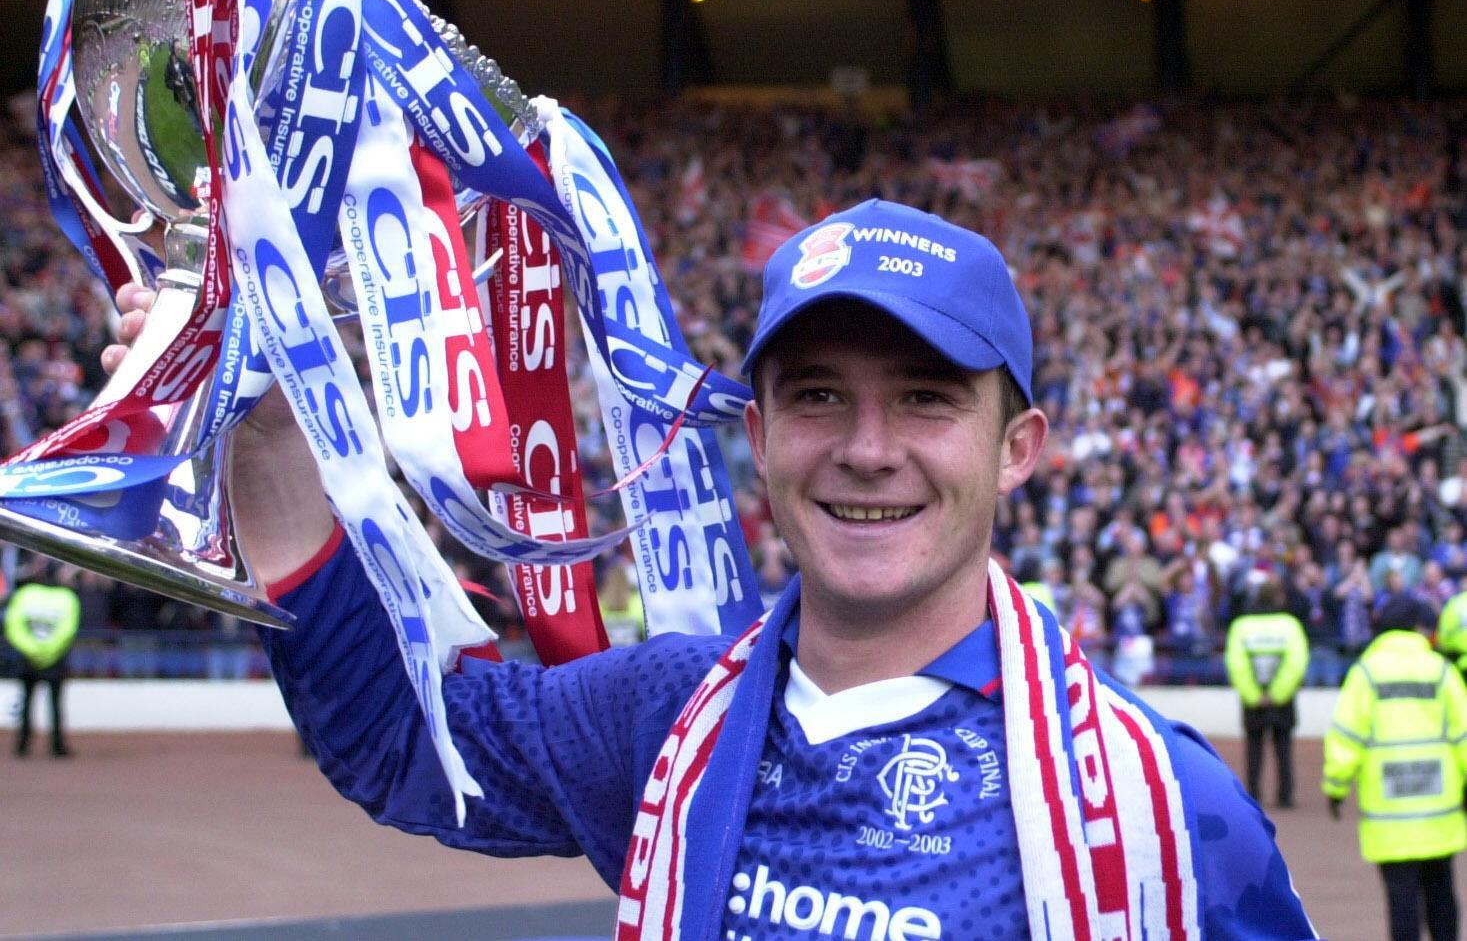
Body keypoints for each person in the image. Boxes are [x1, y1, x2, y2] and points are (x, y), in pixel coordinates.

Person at [107, 199, 1315, 939]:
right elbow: (406, 744)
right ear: (763, 428)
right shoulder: (662, 715)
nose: (869, 447)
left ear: (1020, 450)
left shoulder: (1165, 807)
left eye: (928, 400)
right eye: (820, 394)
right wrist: (264, 438)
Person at [1324, 594, 1467, 941]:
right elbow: (1463, 732)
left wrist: (1336, 786)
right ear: (1418, 628)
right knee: (1441, 891)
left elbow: (1346, 734)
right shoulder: (1441, 670)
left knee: (1401, 898)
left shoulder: (1365, 674)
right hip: (1439, 811)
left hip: (1390, 817)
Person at [1224, 582, 1308, 809]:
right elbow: (1296, 662)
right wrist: (1278, 693)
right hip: (1283, 699)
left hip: (1253, 699)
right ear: (1279, 598)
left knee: (1253, 747)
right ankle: (1285, 794)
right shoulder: (1290, 625)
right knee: (1283, 746)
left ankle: (1253, 793)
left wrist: (1254, 695)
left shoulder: (1241, 626)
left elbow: (1236, 663)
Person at [3, 568, 80, 758]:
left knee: (27, 703)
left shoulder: (25, 595)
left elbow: (13, 625)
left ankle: (22, 744)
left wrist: (31, 649)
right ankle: (57, 745)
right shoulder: (67, 597)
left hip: (28, 659)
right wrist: (48, 651)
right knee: (55, 705)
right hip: (54, 660)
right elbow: (67, 630)